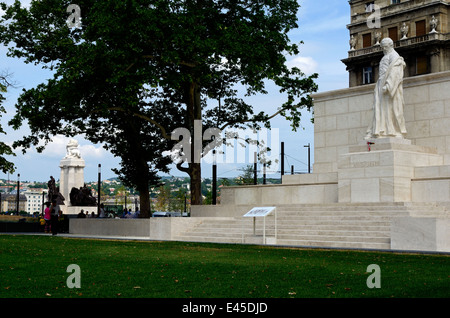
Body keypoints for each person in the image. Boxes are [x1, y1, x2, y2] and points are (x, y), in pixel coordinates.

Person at [365, 37, 407, 140]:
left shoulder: (395, 57)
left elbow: (395, 71)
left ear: (391, 46)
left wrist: (388, 85)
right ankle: (379, 131)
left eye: (385, 47)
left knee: (392, 109)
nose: (383, 49)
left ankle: (394, 131)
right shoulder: (385, 56)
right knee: (378, 108)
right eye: (382, 47)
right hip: (381, 84)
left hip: (390, 87)